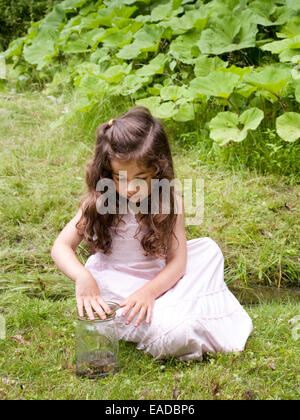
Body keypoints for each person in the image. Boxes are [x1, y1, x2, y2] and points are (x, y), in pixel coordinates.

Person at [51, 106, 253, 361]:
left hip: (160, 283)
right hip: (118, 286)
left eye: (141, 177)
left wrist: (149, 292)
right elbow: (60, 247)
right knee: (173, 333)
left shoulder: (169, 203)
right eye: (119, 178)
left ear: (158, 171)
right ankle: (170, 321)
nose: (130, 188)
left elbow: (178, 263)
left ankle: (174, 310)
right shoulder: (100, 201)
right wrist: (82, 277)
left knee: (208, 251)